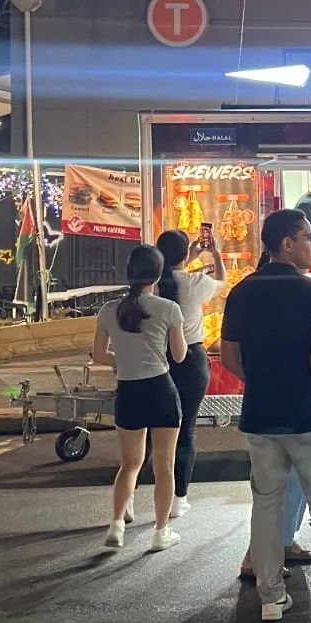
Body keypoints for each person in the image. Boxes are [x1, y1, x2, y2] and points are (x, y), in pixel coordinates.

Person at [219, 209, 311, 623]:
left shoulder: (242, 292)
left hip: (260, 415)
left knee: (265, 504)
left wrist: (260, 381)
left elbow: (229, 357)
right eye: (309, 238)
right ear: (286, 244)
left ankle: (271, 598)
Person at [93, 244, 186, 551]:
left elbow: (98, 355)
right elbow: (180, 355)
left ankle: (116, 524)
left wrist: (121, 360)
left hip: (128, 391)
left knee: (130, 463)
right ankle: (160, 533)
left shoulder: (109, 310)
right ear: (158, 275)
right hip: (160, 389)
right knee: (164, 466)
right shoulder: (168, 309)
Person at [156, 227, 225, 519]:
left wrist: (189, 256)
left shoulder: (153, 282)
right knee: (187, 430)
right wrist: (215, 253)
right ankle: (178, 499)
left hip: (157, 360)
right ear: (185, 254)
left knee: (153, 431)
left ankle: (133, 498)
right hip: (192, 360)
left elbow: (174, 272)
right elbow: (222, 282)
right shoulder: (194, 281)